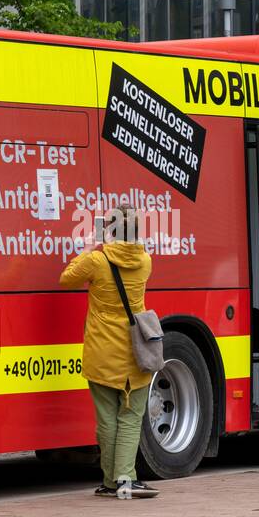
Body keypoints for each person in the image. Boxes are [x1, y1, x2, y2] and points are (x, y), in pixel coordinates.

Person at [58, 205, 160, 499]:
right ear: (138, 231)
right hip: (134, 353)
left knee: (106, 419)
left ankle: (111, 483)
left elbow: (66, 278)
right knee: (130, 416)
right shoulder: (145, 262)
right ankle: (126, 480)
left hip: (101, 352)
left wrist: (92, 246)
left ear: (110, 230)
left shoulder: (96, 261)